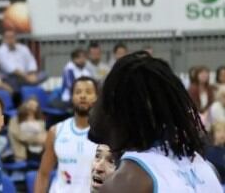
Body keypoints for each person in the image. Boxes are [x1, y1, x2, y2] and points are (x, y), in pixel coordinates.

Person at [88, 52, 220, 192]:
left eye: (102, 95)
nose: (93, 105)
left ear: (118, 110)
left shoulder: (128, 181)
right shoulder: (204, 168)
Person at [35, 77, 98, 193]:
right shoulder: (56, 131)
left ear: (97, 97)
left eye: (88, 92)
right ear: (72, 97)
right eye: (78, 92)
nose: (83, 96)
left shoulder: (106, 134)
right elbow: (43, 174)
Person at [8, 98, 47, 162]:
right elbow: (19, 136)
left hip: (40, 149)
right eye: (30, 105)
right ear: (25, 105)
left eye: (35, 106)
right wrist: (36, 139)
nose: (32, 108)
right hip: (24, 150)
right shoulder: (15, 120)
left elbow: (43, 136)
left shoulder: (41, 121)